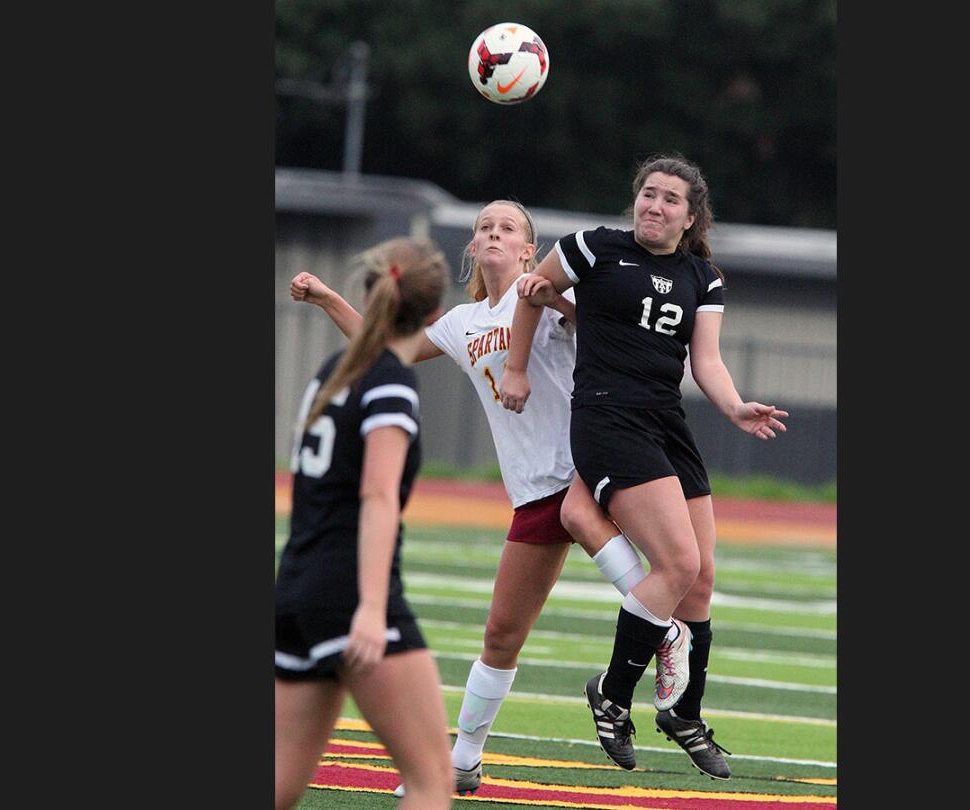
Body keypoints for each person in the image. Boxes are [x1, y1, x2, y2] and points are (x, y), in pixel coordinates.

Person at [288, 200, 690, 797]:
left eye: (507, 228)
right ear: (472, 249)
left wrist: (556, 297)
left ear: (530, 248)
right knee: (501, 634)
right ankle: (465, 759)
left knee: (585, 517)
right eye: (484, 228)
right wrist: (326, 298)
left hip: (591, 459)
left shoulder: (545, 294)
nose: (494, 234)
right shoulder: (464, 321)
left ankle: (664, 628)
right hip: (532, 488)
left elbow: (610, 326)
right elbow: (379, 347)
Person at [499, 155, 788, 780]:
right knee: (677, 565)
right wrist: (516, 368)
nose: (654, 206)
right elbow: (533, 295)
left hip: (665, 423)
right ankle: (613, 692)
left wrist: (736, 406)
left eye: (669, 200)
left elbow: (703, 361)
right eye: (647, 195)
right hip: (608, 417)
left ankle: (684, 714)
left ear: (690, 215)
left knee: (702, 579)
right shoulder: (592, 247)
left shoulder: (701, 276)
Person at [274, 238, 454, 810]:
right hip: (348, 594)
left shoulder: (337, 368)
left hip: (296, 588)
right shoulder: (392, 383)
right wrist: (372, 608)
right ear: (432, 316)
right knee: (431, 783)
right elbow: (377, 495)